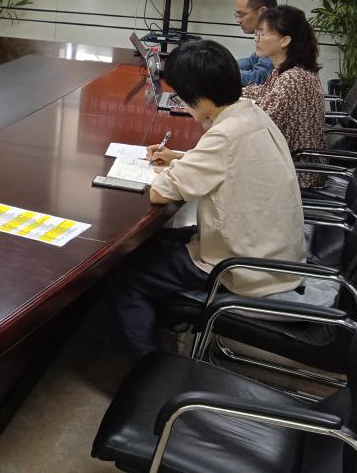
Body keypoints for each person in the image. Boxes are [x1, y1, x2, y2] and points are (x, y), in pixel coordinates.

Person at [114, 39, 304, 359]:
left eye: (181, 95)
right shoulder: (250, 113)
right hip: (270, 250)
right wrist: (178, 158)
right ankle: (167, 320)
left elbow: (160, 193)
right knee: (154, 242)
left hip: (243, 265)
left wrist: (168, 169)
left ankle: (146, 366)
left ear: (199, 96)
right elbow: (227, 163)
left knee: (128, 271)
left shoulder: (224, 135)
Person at [242, 5, 326, 186]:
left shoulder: (291, 79)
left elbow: (259, 125)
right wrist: (227, 92)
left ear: (284, 40)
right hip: (287, 162)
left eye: (262, 33)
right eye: (256, 33)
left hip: (296, 173)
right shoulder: (287, 71)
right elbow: (262, 93)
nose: (256, 39)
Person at [234, 0, 277, 86]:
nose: (238, 20)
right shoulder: (266, 36)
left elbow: (260, 78)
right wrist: (221, 64)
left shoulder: (275, 37)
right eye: (237, 15)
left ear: (263, 11)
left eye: (242, 14)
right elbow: (250, 62)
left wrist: (221, 72)